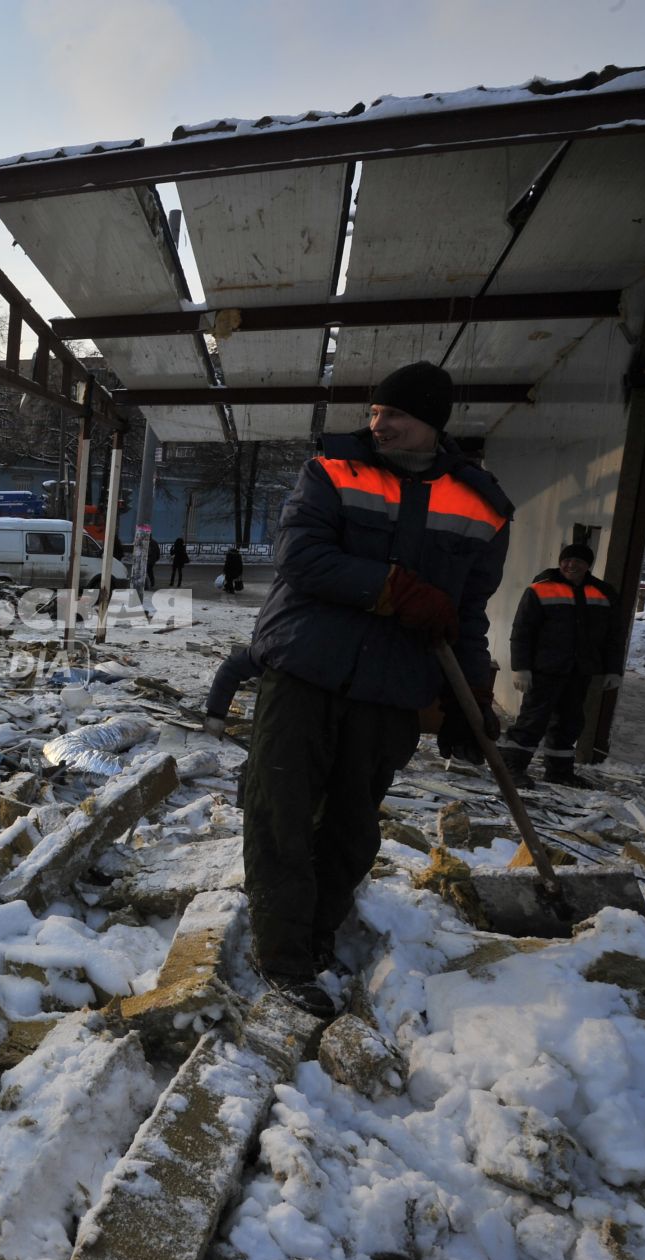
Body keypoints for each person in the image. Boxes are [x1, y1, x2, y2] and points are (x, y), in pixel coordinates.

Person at [240, 360, 511, 1017]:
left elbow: (467, 613)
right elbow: (300, 558)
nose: (378, 424)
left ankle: (316, 933)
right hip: (304, 667)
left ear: (431, 426)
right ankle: (283, 959)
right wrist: (392, 588)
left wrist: (471, 691)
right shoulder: (331, 470)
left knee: (352, 829)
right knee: (279, 810)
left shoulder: (483, 505)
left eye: (396, 415)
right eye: (376, 413)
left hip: (391, 689)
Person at [499, 545, 622, 788]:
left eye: (578, 561)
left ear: (588, 565)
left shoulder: (603, 593)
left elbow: (614, 636)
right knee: (533, 720)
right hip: (546, 669)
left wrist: (613, 669)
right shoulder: (540, 589)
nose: (571, 565)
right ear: (560, 562)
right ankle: (512, 767)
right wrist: (520, 667)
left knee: (570, 722)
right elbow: (522, 630)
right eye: (567, 560)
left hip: (580, 671)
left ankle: (559, 771)